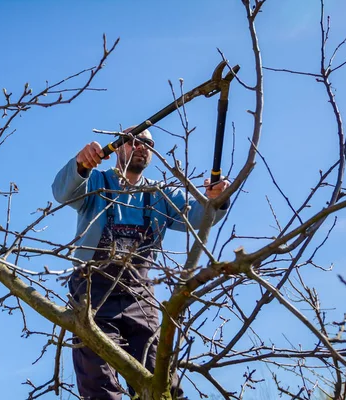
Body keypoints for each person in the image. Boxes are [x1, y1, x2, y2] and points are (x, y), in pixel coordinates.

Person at [52, 128, 230, 399]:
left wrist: (216, 200)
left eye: (148, 143)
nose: (141, 146)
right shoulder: (95, 182)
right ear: (116, 147)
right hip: (92, 294)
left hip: (140, 297)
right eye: (133, 141)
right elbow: (61, 192)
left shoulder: (159, 194)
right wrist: (80, 164)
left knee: (160, 381)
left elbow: (201, 217)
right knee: (98, 382)